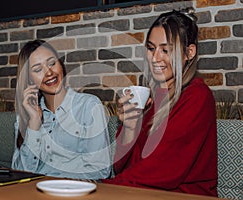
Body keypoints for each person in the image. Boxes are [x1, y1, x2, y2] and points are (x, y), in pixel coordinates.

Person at [103, 9, 218, 196]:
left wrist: (102, 187)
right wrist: (129, 127)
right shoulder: (151, 97)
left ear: (189, 52)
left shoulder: (198, 96)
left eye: (166, 50)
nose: (155, 58)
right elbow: (121, 167)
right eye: (151, 48)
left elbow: (164, 170)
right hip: (145, 193)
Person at [12, 39, 111, 180]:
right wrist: (34, 124)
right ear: (29, 80)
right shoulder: (25, 115)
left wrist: (50, 179)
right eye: (38, 69)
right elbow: (19, 172)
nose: (49, 72)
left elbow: (100, 170)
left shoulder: (88, 106)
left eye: (52, 63)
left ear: (61, 65)